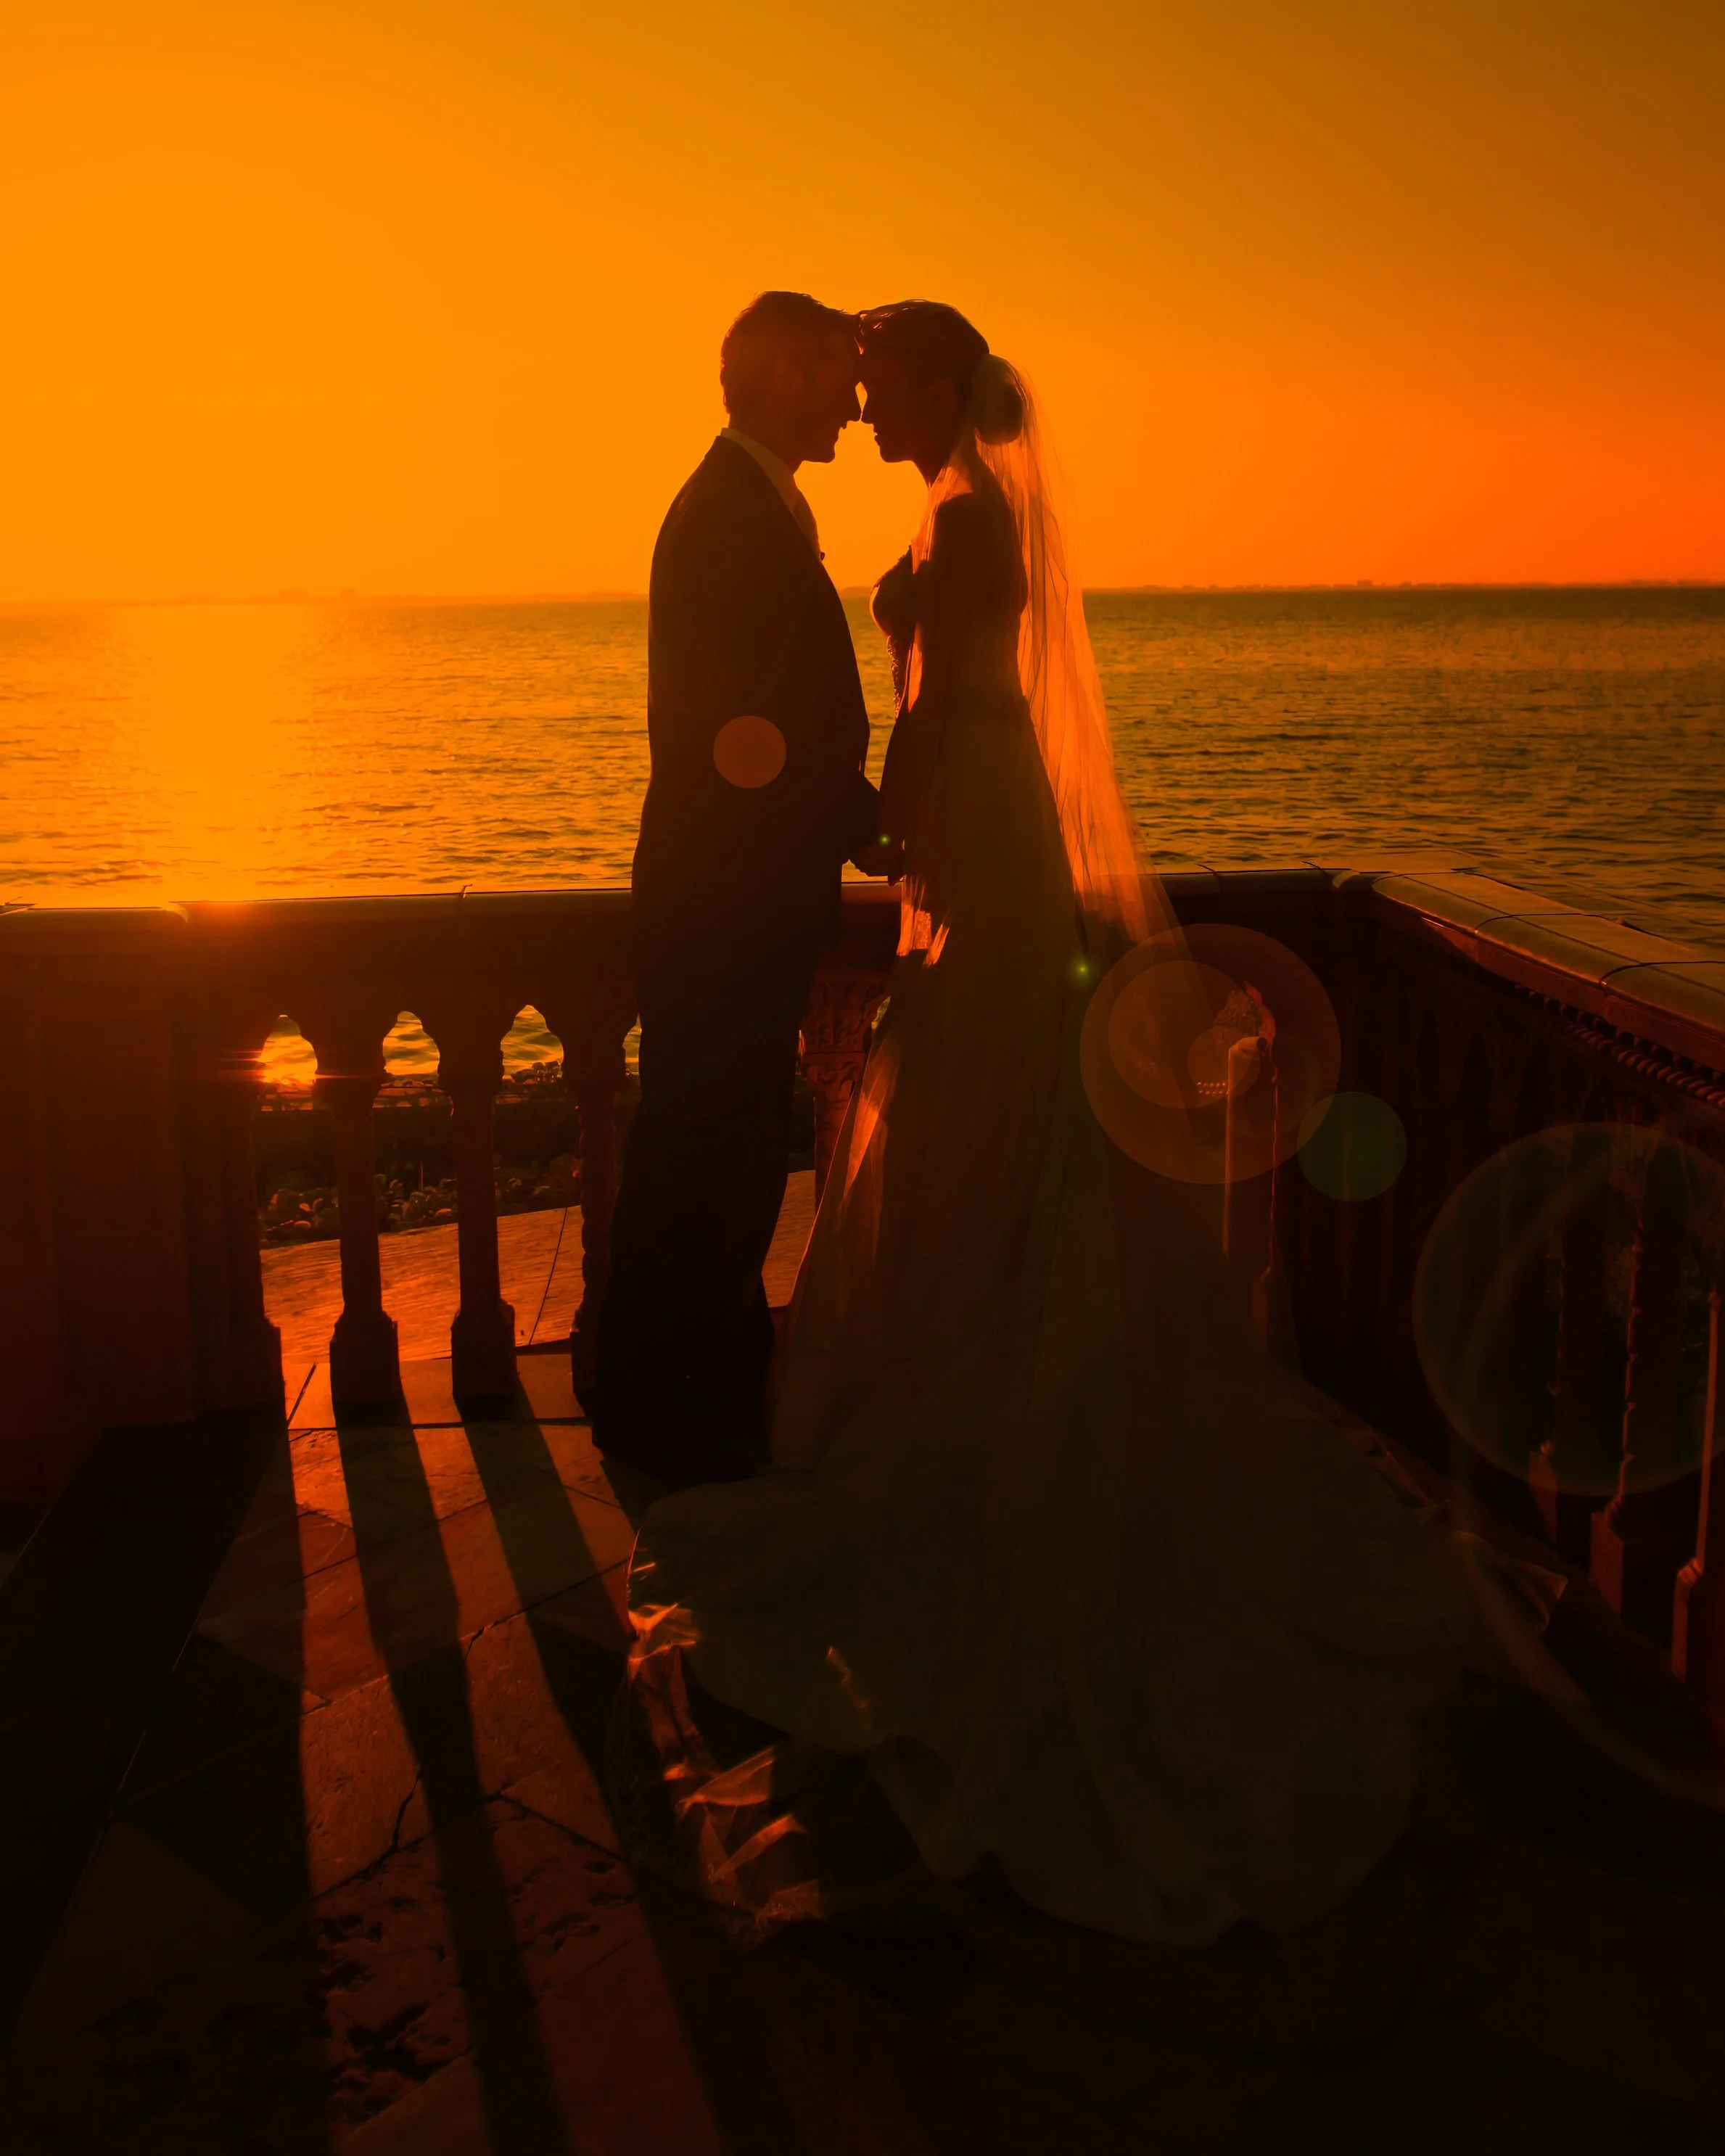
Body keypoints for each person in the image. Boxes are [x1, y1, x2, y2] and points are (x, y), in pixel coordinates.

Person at [624, 300, 1473, 1958]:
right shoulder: (947, 509)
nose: (861, 403)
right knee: (975, 1111)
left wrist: (886, 815)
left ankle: (979, 1404)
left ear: (933, 385)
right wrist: (887, 808)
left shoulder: (961, 518)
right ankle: (952, 1365)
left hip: (976, 817)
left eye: (876, 381)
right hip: (977, 824)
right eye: (846, 380)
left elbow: (944, 706)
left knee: (978, 1096)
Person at [591, 292, 893, 1482]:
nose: (853, 404)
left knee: (722, 1142)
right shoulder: (725, 514)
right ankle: (657, 1403)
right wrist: (860, 819)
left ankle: (690, 1380)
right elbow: (736, 729)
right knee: (699, 1147)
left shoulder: (747, 504)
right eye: (835, 378)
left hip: (734, 893)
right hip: (723, 898)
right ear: (777, 376)